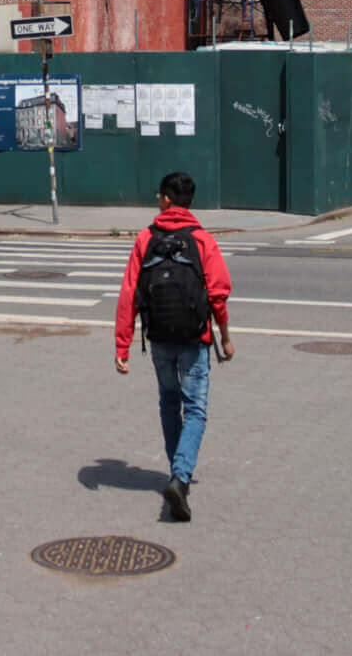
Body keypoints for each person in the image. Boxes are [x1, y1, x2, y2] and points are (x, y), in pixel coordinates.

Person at [114, 171, 233, 524]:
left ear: (167, 200)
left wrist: (122, 346)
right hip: (195, 338)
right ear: (189, 203)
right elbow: (218, 293)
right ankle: (180, 478)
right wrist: (225, 336)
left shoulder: (145, 239)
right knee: (195, 409)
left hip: (160, 337)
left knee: (169, 402)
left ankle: (176, 473)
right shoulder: (202, 240)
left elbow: (128, 295)